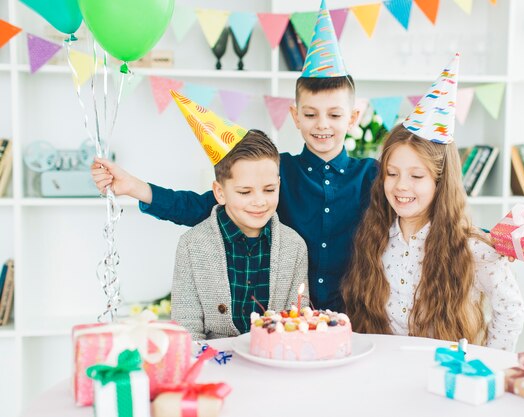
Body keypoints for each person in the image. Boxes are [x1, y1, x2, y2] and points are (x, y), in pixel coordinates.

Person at [91, 0, 376, 311]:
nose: (322, 124)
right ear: (295, 116)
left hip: (356, 322)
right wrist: (135, 187)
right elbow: (203, 206)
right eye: (311, 114)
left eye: (334, 115)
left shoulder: (372, 176)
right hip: (285, 322)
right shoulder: (278, 172)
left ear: (353, 117)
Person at [342, 54, 524, 351]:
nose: (401, 186)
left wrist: (490, 363)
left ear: (440, 182)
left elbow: (511, 310)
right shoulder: (375, 237)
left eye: (416, 176)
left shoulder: (472, 248)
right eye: (391, 173)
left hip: (443, 382)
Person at [169, 91, 308, 341]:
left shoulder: (294, 247)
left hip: (275, 366)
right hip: (213, 366)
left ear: (279, 184)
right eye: (245, 192)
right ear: (220, 193)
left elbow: (296, 325)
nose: (259, 201)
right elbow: (186, 331)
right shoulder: (192, 246)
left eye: (269, 189)